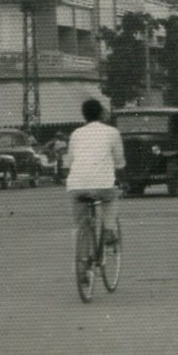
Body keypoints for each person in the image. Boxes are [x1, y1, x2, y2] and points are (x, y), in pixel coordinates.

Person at [62, 99, 126, 266]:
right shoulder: (112, 132)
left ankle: (82, 262)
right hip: (104, 184)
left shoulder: (76, 134)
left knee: (78, 223)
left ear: (84, 115)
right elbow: (120, 161)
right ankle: (110, 229)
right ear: (101, 113)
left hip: (77, 185)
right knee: (112, 197)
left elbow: (68, 163)